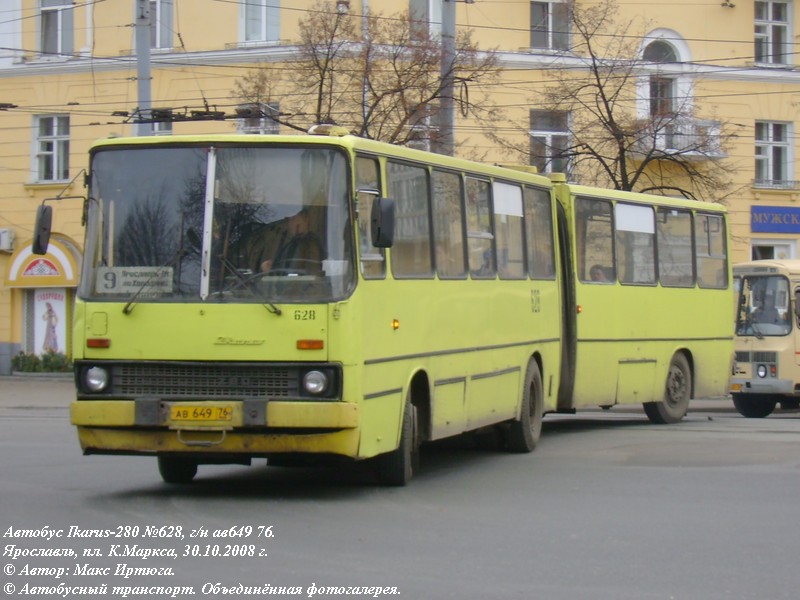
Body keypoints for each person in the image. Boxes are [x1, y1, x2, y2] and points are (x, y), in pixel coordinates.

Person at [259, 207, 323, 274]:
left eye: (293, 219)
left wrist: (273, 270)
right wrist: (271, 266)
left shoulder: (310, 243)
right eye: (289, 220)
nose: (290, 223)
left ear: (306, 220)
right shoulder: (291, 244)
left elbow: (307, 270)